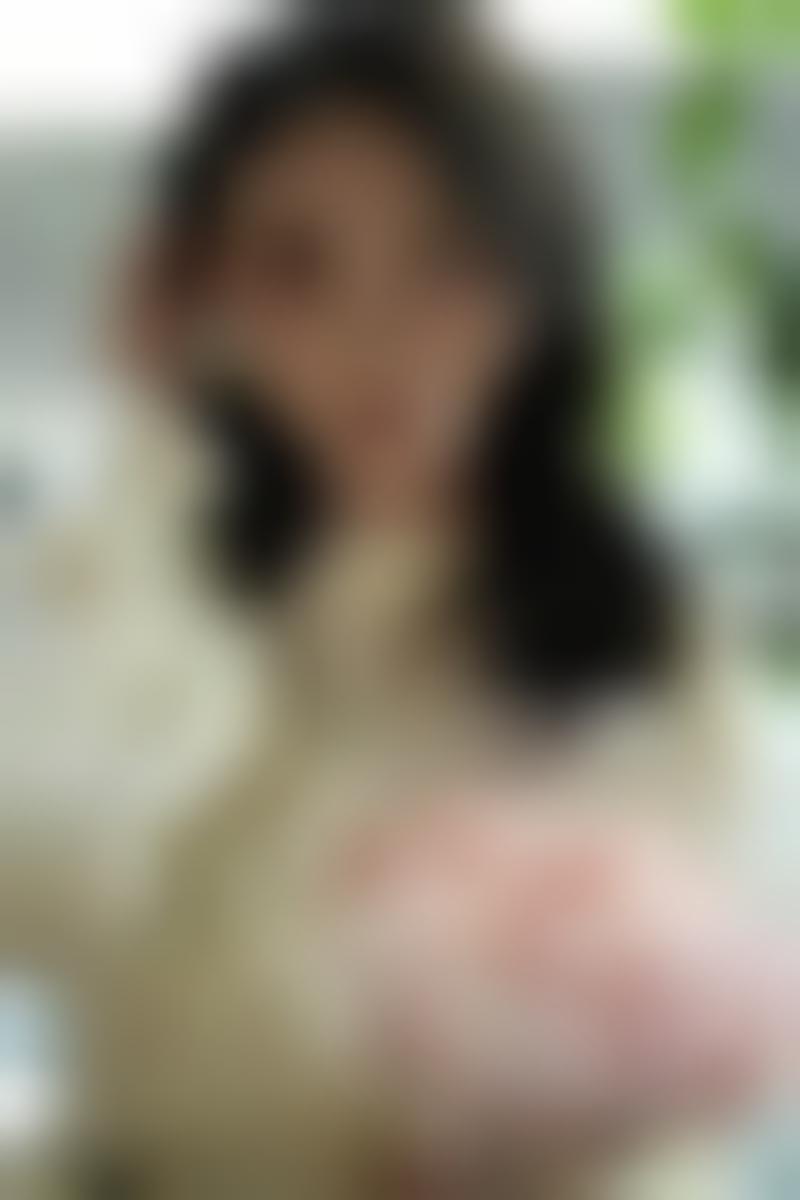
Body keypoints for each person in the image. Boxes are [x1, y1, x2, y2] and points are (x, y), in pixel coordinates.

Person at [41, 2, 789, 1196]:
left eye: (447, 257)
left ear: (536, 283)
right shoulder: (158, 603)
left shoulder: (644, 645)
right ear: (203, 298)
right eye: (297, 268)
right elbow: (47, 896)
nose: (375, 335)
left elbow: (710, 1069)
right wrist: (145, 443)